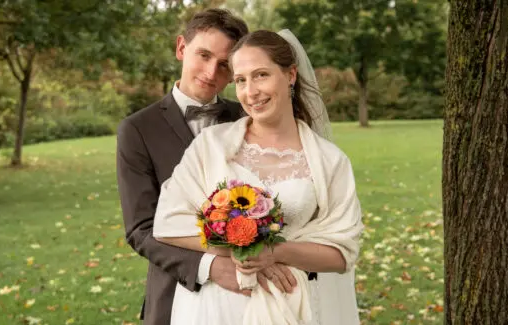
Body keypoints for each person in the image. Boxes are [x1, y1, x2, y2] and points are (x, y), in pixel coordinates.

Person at [153, 29, 364, 325]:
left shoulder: (330, 160)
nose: (250, 92)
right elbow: (168, 223)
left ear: (290, 75)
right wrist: (240, 252)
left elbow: (343, 253)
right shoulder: (210, 145)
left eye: (261, 75)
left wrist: (276, 252)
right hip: (215, 305)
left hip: (289, 304)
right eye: (240, 80)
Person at [116, 9, 255, 325]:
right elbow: (140, 228)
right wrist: (210, 266)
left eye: (224, 65)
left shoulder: (247, 119)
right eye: (203, 55)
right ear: (181, 48)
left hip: (249, 292)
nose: (210, 72)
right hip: (175, 292)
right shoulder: (137, 129)